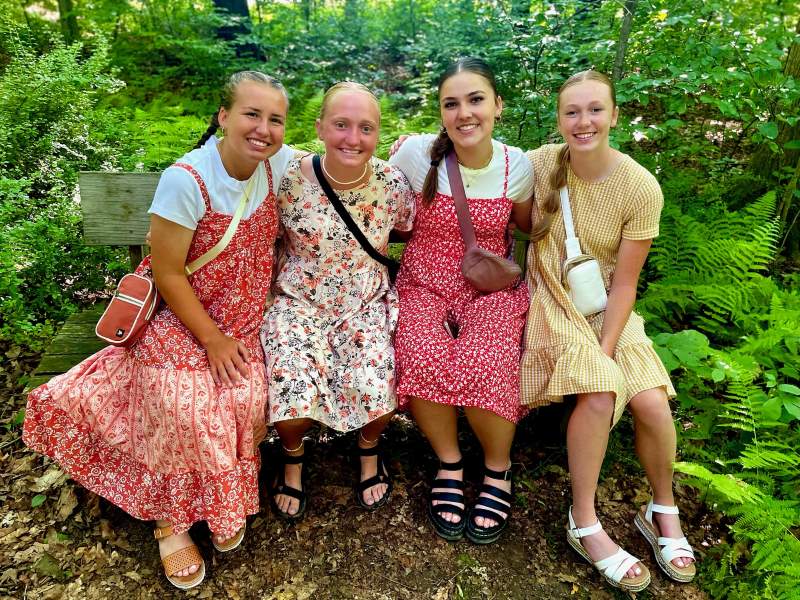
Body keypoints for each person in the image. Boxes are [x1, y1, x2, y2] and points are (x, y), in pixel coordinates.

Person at [23, 70, 294, 590]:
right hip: (182, 313)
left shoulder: (276, 164)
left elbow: (337, 162)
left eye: (275, 119)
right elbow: (167, 272)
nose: (263, 128)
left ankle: (219, 503)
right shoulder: (186, 180)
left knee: (246, 393)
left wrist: (407, 148)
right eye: (251, 114)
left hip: (244, 317)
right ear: (223, 117)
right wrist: (212, 340)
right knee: (181, 400)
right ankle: (171, 522)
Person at [520, 70, 696, 591]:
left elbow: (625, 283)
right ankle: (584, 519)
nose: (584, 121)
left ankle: (661, 507)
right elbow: (477, 164)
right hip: (550, 298)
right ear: (559, 119)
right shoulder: (539, 163)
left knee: (652, 402)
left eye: (595, 109)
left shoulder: (640, 186)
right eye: (572, 111)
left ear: (615, 115)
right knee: (599, 392)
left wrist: (607, 345)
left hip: (605, 307)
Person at [389, 58, 533, 545]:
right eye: (452, 103)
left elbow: (532, 226)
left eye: (476, 100)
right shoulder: (413, 154)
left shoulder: (518, 165)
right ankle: (449, 463)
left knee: (487, 358)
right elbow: (371, 197)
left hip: (489, 286)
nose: (464, 113)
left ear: (498, 105)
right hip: (424, 280)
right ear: (441, 112)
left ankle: (497, 469)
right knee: (421, 350)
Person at [260, 82, 414, 520]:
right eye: (341, 125)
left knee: (375, 383)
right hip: (297, 302)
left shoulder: (392, 184)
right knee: (290, 387)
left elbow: (408, 228)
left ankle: (369, 449)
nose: (353, 138)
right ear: (320, 128)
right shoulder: (287, 177)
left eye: (365, 128)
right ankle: (292, 455)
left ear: (378, 134)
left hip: (364, 303)